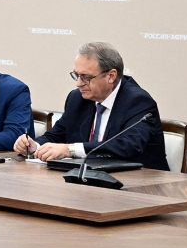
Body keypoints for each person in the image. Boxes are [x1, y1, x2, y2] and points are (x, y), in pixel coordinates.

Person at [14, 42, 168, 169]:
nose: (78, 83)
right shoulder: (78, 98)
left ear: (111, 76)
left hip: (141, 185)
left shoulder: (138, 101)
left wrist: (70, 150)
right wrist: (35, 146)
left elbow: (126, 146)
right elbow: (57, 134)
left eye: (86, 77)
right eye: (77, 75)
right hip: (89, 179)